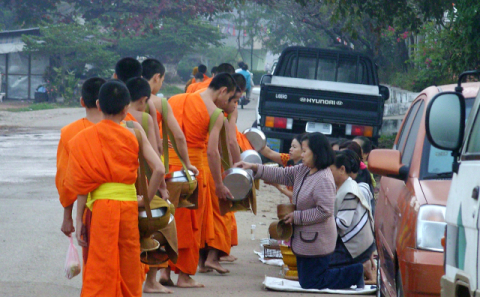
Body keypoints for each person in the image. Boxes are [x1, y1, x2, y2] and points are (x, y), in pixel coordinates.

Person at [66, 80, 167, 296]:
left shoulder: (82, 139)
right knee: (128, 262)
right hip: (128, 207)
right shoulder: (134, 132)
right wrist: (145, 200)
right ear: (125, 109)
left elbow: (82, 185)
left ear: (98, 105)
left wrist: (78, 219)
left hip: (100, 210)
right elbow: (159, 169)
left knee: (101, 264)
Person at [235, 132, 365, 290]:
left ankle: (355, 272)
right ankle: (352, 272)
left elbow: (324, 211)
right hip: (306, 238)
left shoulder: (323, 178)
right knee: (309, 280)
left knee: (312, 281)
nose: (301, 155)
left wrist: (297, 217)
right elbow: (282, 174)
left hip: (318, 239)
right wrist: (254, 168)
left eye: (304, 151)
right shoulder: (304, 170)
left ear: (316, 152)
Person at [160, 73, 236, 288]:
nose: (227, 102)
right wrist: (219, 185)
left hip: (168, 170)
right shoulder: (216, 113)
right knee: (191, 226)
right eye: (229, 96)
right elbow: (213, 153)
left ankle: (164, 272)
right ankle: (184, 275)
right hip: (194, 172)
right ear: (223, 91)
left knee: (168, 221)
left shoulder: (174, 100)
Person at [56, 78, 105, 265]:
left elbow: (65, 176)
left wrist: (68, 217)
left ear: (82, 101)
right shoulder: (126, 128)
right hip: (127, 205)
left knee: (93, 260)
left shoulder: (70, 132)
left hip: (88, 208)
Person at [142, 58, 198, 175]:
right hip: (152, 156)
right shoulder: (159, 102)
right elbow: (179, 136)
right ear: (157, 77)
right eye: (162, 80)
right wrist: (187, 163)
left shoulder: (127, 100)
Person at [329, 149, 376, 283]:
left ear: (342, 169)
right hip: (351, 241)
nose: (328, 174)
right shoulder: (343, 186)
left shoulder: (349, 190)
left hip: (355, 245)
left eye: (330, 170)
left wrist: (320, 218)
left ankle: (359, 268)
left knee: (321, 268)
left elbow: (342, 224)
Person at [114, 57, 164, 155]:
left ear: (115, 76)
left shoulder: (110, 100)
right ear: (140, 76)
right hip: (144, 160)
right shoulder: (147, 102)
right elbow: (157, 144)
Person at [259, 134, 304, 201]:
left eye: (294, 147)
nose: (290, 149)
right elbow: (269, 153)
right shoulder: (289, 159)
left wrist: (278, 186)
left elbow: (298, 197)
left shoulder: (306, 168)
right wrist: (255, 141)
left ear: (304, 150)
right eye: (291, 146)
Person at [125, 77, 161, 158]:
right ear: (143, 100)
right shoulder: (145, 118)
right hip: (140, 166)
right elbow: (154, 151)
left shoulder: (118, 115)